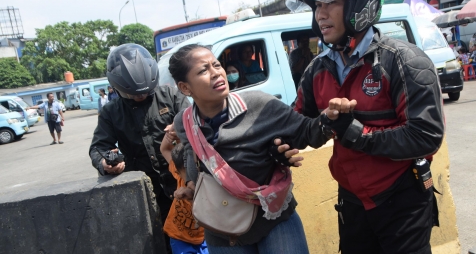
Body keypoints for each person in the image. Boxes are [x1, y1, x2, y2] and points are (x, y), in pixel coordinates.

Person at [286, 0, 445, 254]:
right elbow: (298, 127)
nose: (321, 14)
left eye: (329, 2)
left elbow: (425, 136)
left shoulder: (403, 61)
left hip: (402, 198)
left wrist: (356, 133)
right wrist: (322, 123)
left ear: (360, 3)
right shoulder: (317, 70)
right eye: (316, 6)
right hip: (352, 201)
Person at [168, 43, 351, 253]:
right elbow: (193, 154)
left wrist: (329, 117)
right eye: (203, 70)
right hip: (222, 229)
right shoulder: (184, 122)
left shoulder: (260, 104)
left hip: (273, 221)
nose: (216, 73)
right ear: (185, 88)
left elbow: (306, 132)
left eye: (217, 65)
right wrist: (192, 185)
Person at [88, 44, 191, 233]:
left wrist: (181, 129)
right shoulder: (110, 112)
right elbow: (98, 147)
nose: (141, 96)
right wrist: (105, 163)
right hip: (144, 193)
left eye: (145, 92)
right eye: (134, 94)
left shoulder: (171, 96)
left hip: (182, 185)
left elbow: (195, 123)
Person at [160, 126, 207, 254]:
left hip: (205, 238)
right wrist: (173, 129)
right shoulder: (178, 172)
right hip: (179, 236)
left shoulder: (209, 183)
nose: (189, 181)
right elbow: (164, 148)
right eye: (185, 175)